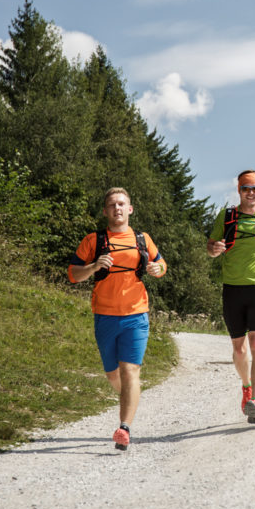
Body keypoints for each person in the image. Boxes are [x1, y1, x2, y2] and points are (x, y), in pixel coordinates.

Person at [68, 187, 166, 451]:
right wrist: (94, 266)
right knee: (113, 376)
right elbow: (73, 275)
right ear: (105, 211)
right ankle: (129, 402)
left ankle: (124, 428)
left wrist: (157, 269)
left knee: (130, 370)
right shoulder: (93, 240)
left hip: (136, 313)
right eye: (112, 205)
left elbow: (160, 263)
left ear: (130, 209)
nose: (117, 209)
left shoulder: (142, 238)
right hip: (105, 315)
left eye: (122, 204)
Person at [206, 170, 255, 424]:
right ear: (238, 190)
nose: (250, 193)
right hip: (232, 288)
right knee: (239, 351)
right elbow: (211, 246)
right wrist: (215, 249)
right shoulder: (227, 216)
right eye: (246, 189)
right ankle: (246, 386)